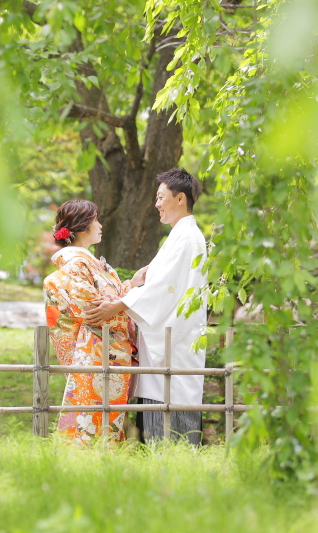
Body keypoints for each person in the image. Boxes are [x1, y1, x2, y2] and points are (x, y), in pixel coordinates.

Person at [84, 168, 207, 445]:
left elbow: (164, 288)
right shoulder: (180, 236)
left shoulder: (188, 237)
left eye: (161, 197)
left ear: (180, 198)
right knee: (156, 420)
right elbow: (159, 284)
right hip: (163, 340)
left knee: (171, 425)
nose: (156, 204)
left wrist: (117, 306)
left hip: (174, 343)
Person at [43, 199, 146, 446]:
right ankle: (87, 466)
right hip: (94, 350)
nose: (100, 226)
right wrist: (124, 300)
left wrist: (131, 284)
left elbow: (108, 300)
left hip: (106, 349)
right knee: (92, 419)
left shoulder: (87, 262)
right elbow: (94, 310)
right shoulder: (76, 263)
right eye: (96, 221)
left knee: (104, 416)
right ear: (82, 226)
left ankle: (101, 464)